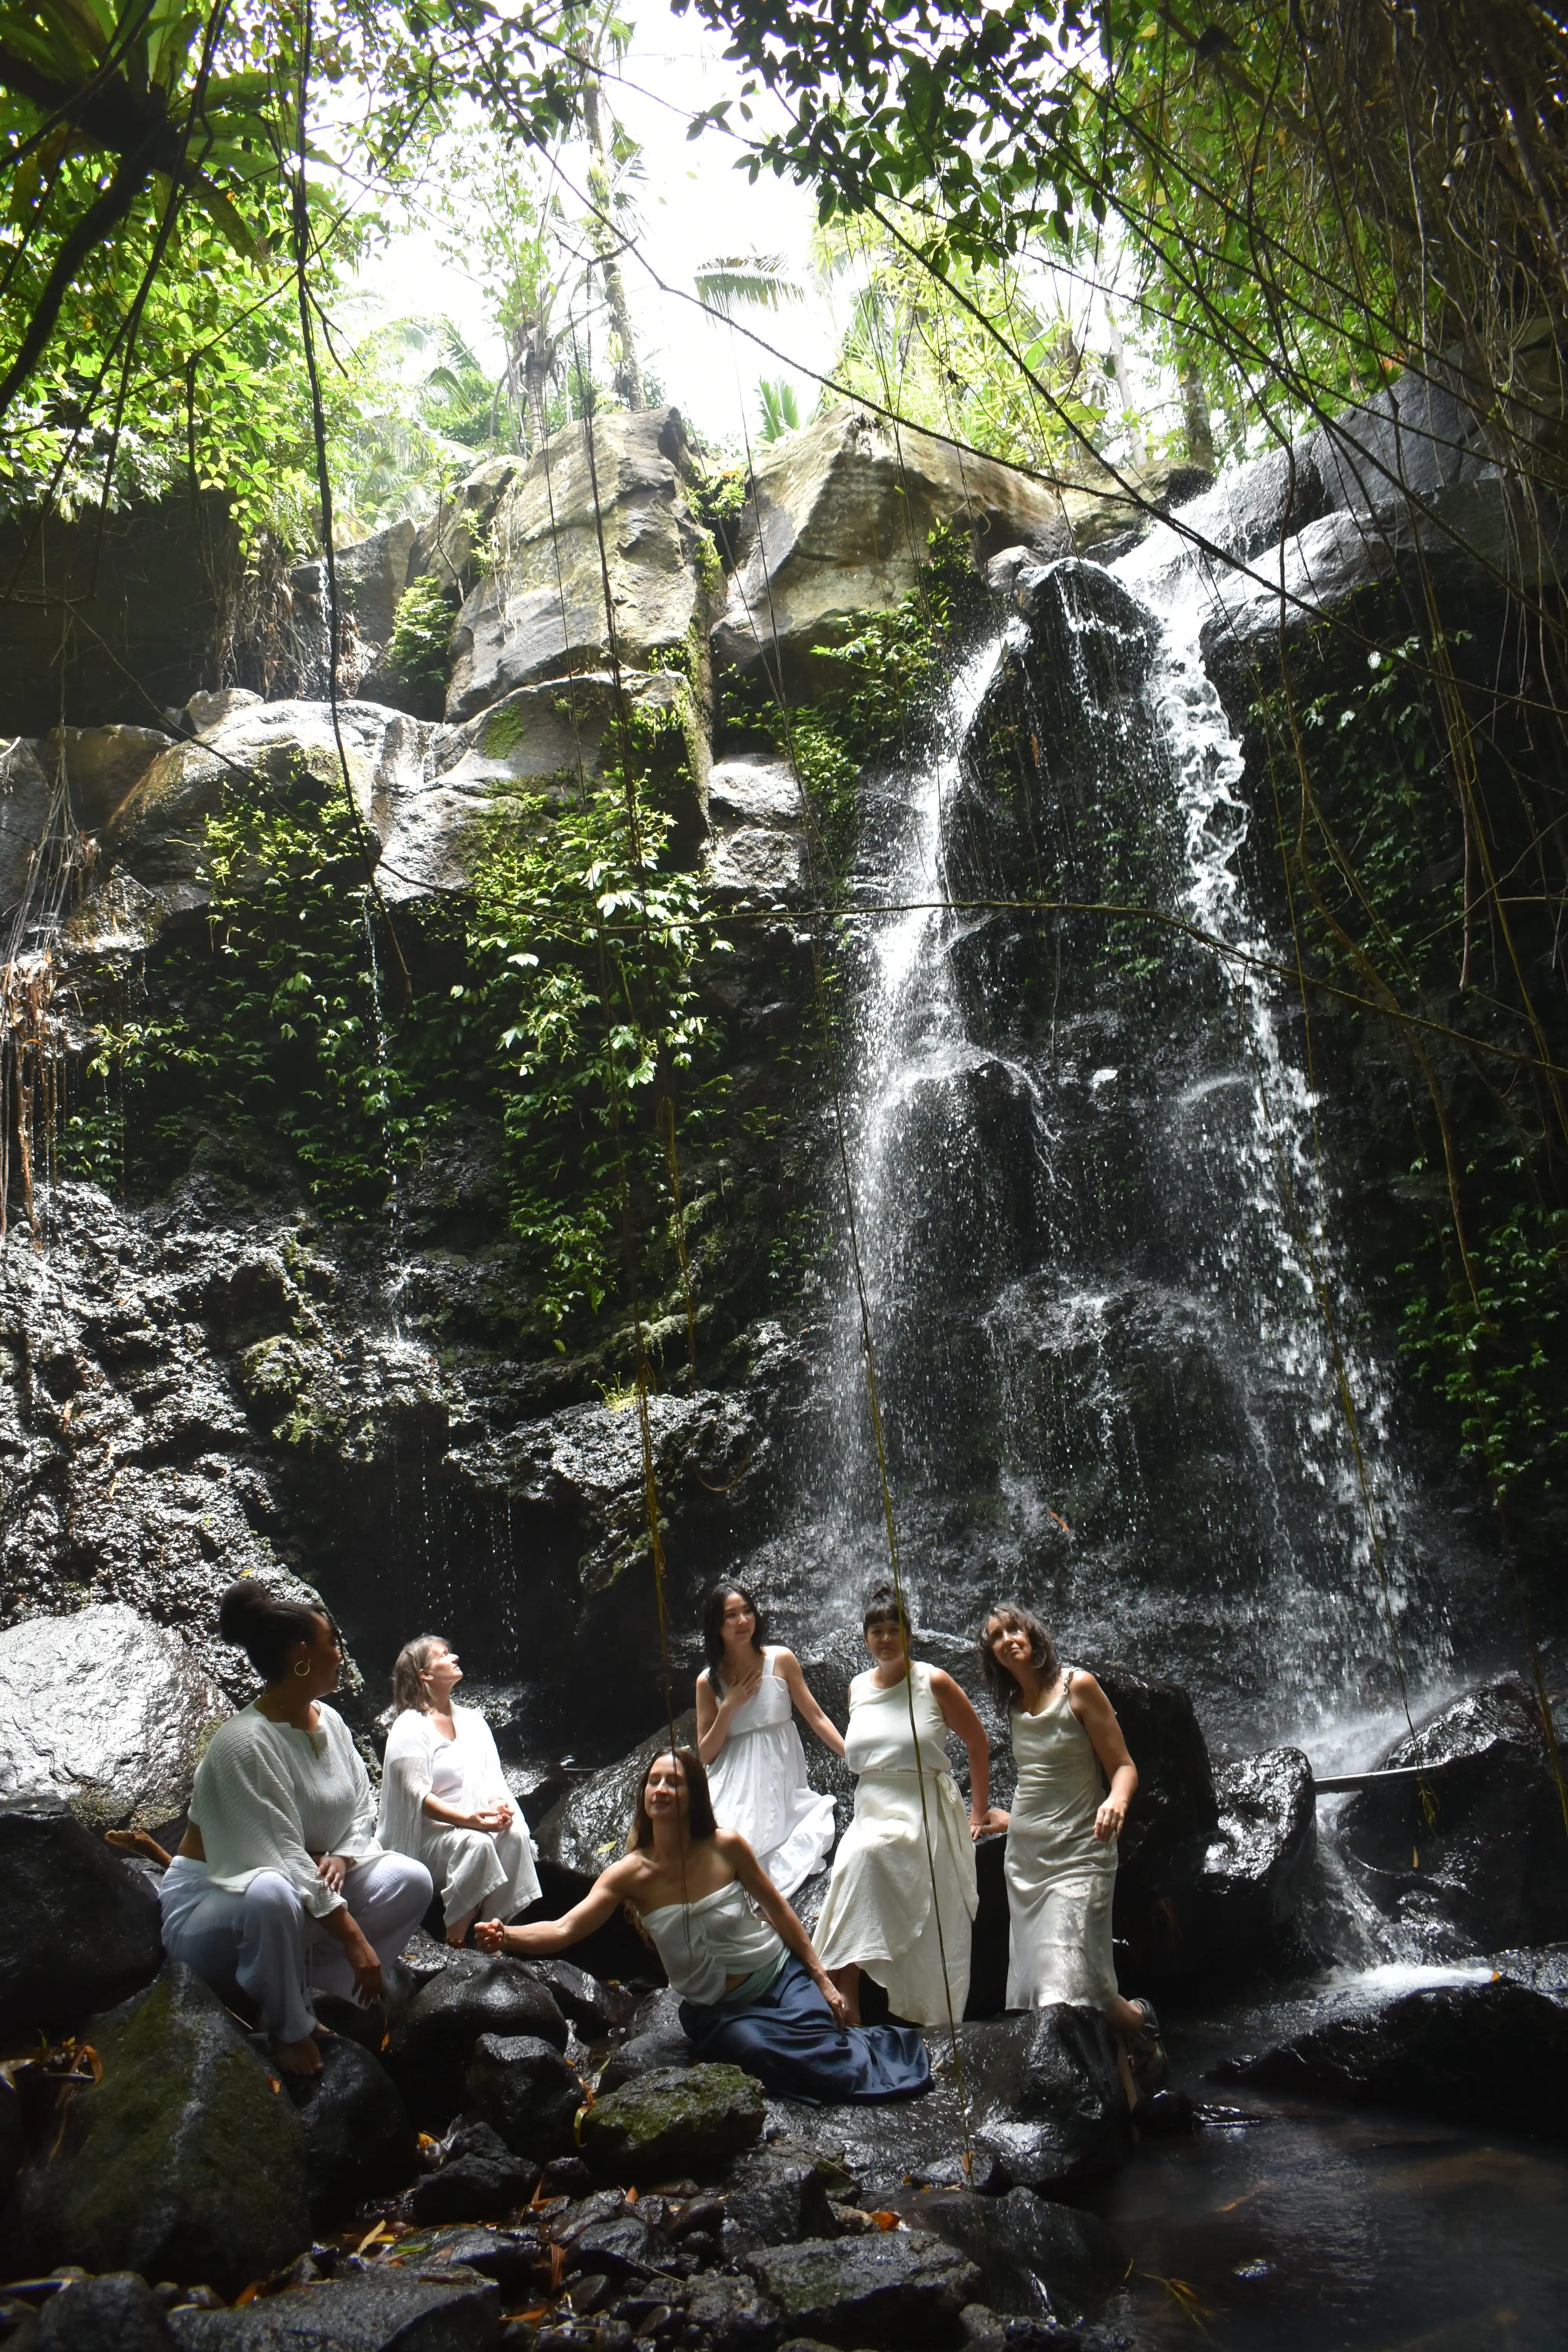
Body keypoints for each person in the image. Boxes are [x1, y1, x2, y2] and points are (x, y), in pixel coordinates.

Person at [476, 1747, 931, 2102]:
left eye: (673, 1782)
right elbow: (564, 1930)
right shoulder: (629, 1874)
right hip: (720, 2009)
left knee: (827, 2046)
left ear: (693, 1795)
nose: (660, 1789)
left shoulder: (726, 1847)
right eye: (653, 1781)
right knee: (754, 2050)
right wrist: (507, 1936)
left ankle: (874, 2054)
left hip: (779, 1978)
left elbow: (779, 1911)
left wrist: (823, 1982)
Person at [159, 1581, 432, 2078]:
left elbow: (361, 1807)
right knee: (271, 1892)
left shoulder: (330, 1721)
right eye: (333, 1643)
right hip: (211, 1905)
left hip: (301, 1891)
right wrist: (350, 1934)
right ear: (302, 1654)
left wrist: (345, 1856)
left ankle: (302, 1988)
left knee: (410, 1879)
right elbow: (279, 1855)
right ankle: (286, 2024)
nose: (339, 1653)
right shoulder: (242, 1743)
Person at [976, 1601, 1166, 2106]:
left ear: (1033, 1634)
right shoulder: (1015, 1706)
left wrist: (1116, 1800)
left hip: (1084, 1854)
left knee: (1066, 1983)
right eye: (996, 1636)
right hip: (1027, 1861)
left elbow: (1123, 1766)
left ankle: (1139, 2025)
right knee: (1074, 1984)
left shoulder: (1076, 1686)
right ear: (992, 1654)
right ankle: (1128, 2099)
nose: (1008, 1638)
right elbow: (1040, 1784)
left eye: (1014, 1628)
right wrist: (1010, 1821)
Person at [813, 1585, 990, 2028]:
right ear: (866, 1638)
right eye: (877, 1630)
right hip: (870, 1806)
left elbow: (978, 1744)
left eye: (894, 1629)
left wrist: (978, 1812)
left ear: (908, 1635)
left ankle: (844, 2000)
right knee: (856, 1858)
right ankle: (844, 1997)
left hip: (919, 1805)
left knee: (863, 1858)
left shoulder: (934, 1681)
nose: (886, 1638)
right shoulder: (856, 1688)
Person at [378, 1635, 541, 1947]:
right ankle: (455, 1943)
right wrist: (472, 1820)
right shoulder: (409, 1727)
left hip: (468, 1827)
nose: (454, 1658)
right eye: (443, 1655)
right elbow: (419, 1799)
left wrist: (499, 1810)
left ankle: (491, 1934)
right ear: (425, 1674)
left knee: (517, 1835)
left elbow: (494, 1785)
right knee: (477, 1844)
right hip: (425, 1840)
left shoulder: (473, 1721)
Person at [695, 1583, 842, 1897]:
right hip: (732, 1779)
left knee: (762, 1844)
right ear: (717, 1627)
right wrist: (730, 1705)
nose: (743, 1621)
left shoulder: (781, 1660)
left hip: (777, 1775)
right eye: (731, 1616)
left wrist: (850, 1753)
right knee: (727, 1845)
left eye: (747, 1611)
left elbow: (815, 1716)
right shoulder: (708, 1682)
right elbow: (706, 1753)